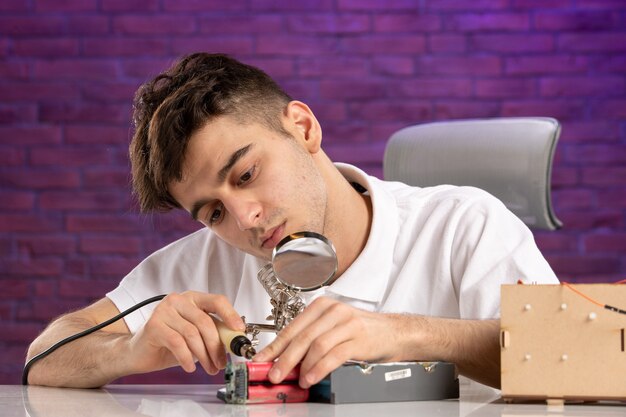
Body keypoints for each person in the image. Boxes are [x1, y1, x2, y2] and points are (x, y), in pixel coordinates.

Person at [25, 52, 558, 389]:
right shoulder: (209, 258)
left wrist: (405, 335)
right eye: (212, 211)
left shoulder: (465, 225)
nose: (246, 219)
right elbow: (45, 356)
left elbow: (572, 361)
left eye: (247, 173)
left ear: (303, 128)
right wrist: (129, 349)